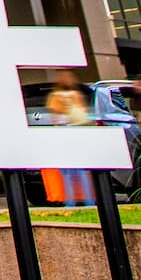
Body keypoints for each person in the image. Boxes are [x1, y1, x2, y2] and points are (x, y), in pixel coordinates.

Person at [45, 72, 94, 208]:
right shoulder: (77, 95)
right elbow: (84, 114)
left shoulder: (55, 96)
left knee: (67, 172)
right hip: (78, 134)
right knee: (82, 171)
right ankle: (88, 201)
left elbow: (55, 118)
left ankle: (70, 202)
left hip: (65, 135)